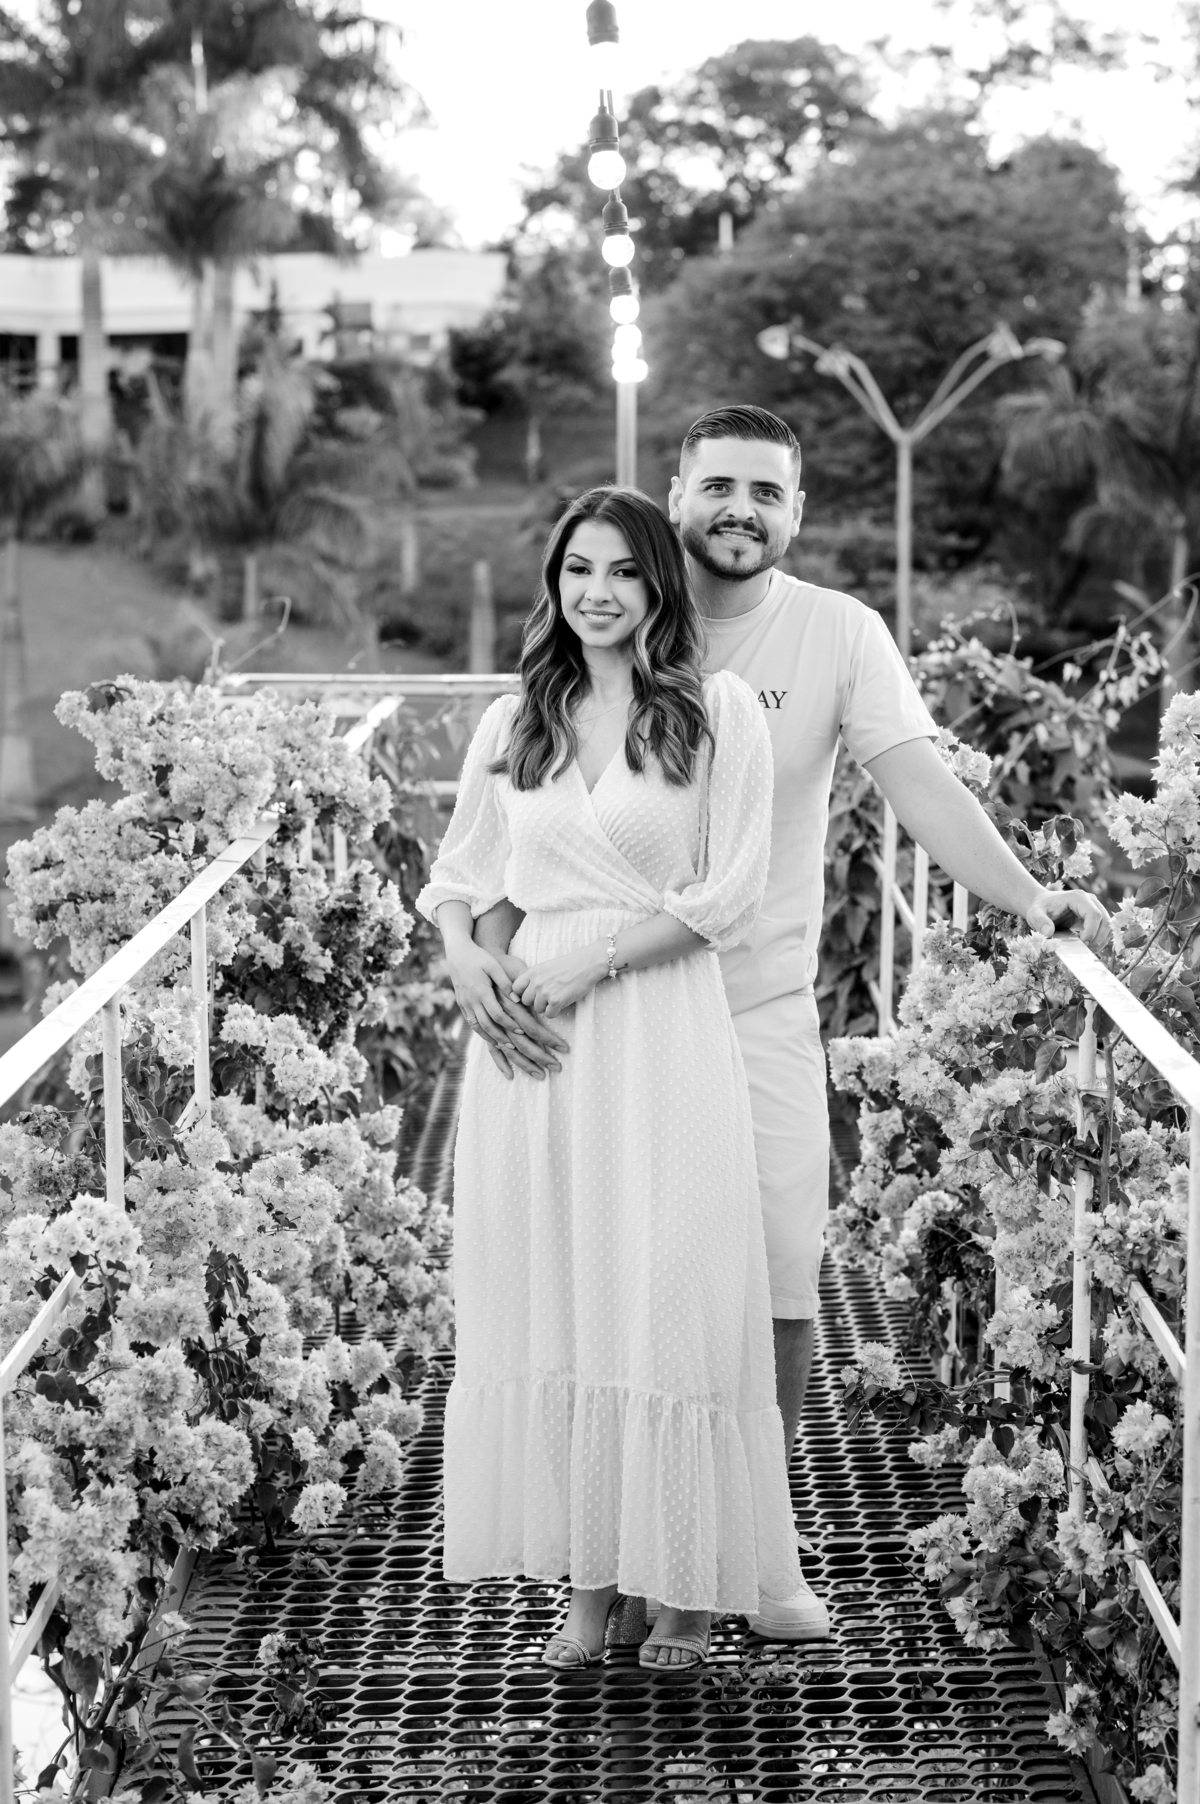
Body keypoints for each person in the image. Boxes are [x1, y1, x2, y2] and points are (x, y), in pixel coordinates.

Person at [458, 406, 1113, 1645]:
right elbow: (508, 838)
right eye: (718, 486)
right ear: (677, 495)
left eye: (767, 491)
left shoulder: (835, 634)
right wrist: (478, 956)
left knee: (769, 1271)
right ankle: (617, 1549)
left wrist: (1034, 900)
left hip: (750, 1007)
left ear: (797, 511)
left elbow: (921, 783)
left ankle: (749, 1543)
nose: (740, 511)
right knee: (607, 1279)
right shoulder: (618, 610)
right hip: (597, 1025)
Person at [417, 484, 803, 1672]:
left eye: (624, 570)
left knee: (670, 1285)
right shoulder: (516, 721)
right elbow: (464, 878)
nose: (598, 591)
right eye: (578, 569)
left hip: (655, 1019)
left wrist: (590, 958)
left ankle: (684, 1588)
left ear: (658, 585)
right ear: (555, 583)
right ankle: (589, 1582)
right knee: (567, 1289)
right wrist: (467, 963)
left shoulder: (716, 711)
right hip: (533, 1046)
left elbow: (728, 894)